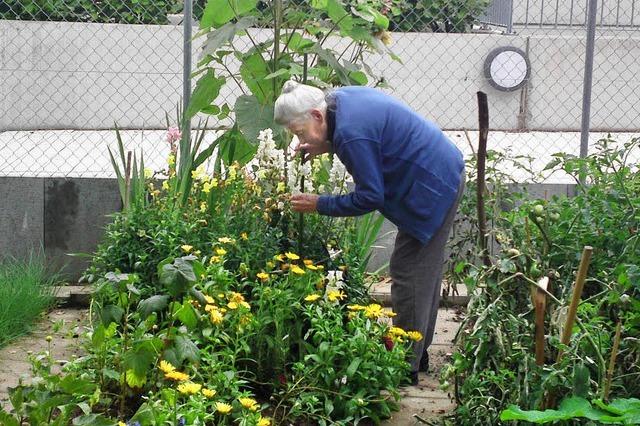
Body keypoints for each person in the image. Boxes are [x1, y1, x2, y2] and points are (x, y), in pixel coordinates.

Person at [274, 80, 465, 386]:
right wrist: (322, 143)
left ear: (317, 116)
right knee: (422, 272)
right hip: (437, 170)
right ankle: (417, 353)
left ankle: (405, 364)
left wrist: (319, 204)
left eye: (299, 132)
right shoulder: (338, 101)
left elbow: (369, 196)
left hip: (433, 184)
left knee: (409, 271)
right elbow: (355, 138)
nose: (300, 139)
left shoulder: (350, 135)